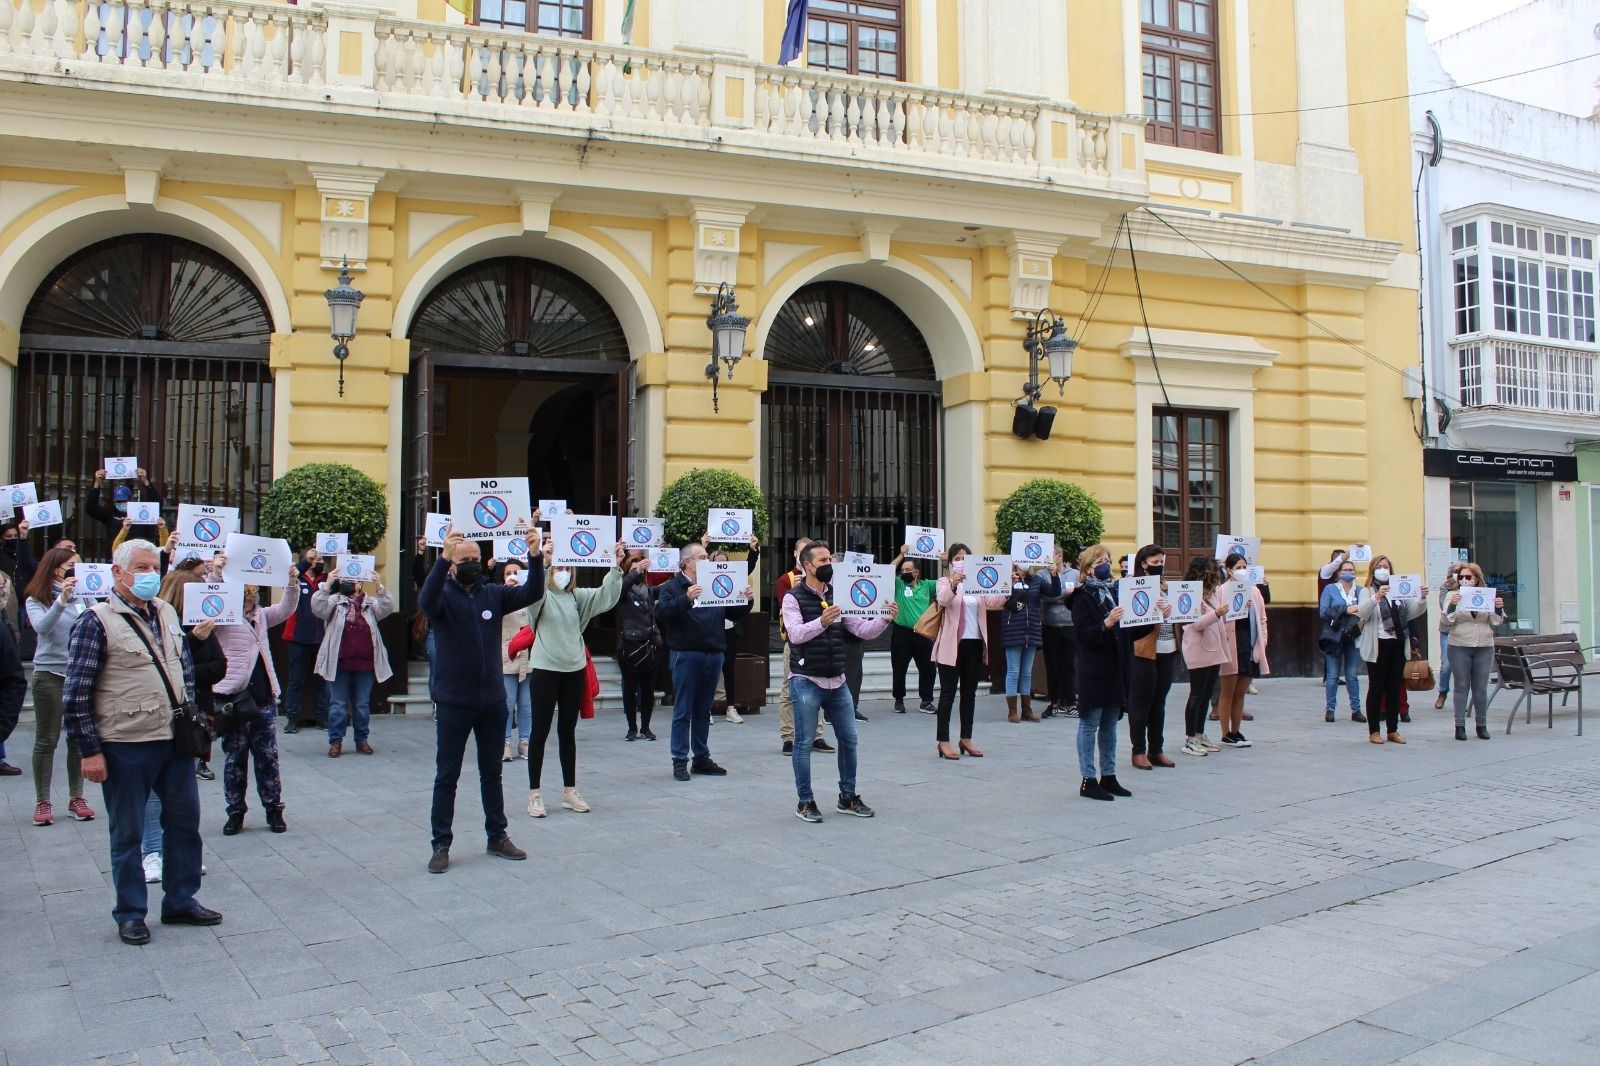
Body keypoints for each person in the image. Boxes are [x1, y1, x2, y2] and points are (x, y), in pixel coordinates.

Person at [61, 538, 218, 945]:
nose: (151, 575)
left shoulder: (166, 612)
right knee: (128, 833)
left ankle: (181, 900)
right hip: (125, 743)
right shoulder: (95, 621)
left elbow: (182, 673)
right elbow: (76, 693)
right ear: (118, 572)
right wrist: (89, 751)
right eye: (142, 568)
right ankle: (130, 912)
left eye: (155, 567)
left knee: (184, 824)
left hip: (173, 739)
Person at [419, 524, 542, 873]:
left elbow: (532, 592)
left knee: (492, 773)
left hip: (492, 700)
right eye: (464, 559)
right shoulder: (443, 594)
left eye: (475, 558)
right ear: (453, 564)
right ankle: (441, 844)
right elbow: (425, 603)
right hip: (454, 700)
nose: (471, 563)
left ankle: (497, 836)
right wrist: (442, 560)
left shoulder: (493, 594)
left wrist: (534, 554)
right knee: (447, 775)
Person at [782, 541, 895, 822]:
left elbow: (860, 629)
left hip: (837, 678)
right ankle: (805, 801)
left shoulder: (840, 594)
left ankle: (848, 796)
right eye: (823, 560)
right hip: (806, 679)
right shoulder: (793, 598)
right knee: (804, 742)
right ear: (808, 566)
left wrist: (884, 619)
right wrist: (821, 621)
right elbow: (795, 635)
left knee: (849, 739)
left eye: (830, 558)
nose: (829, 564)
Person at [522, 538, 624, 817]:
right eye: (558, 567)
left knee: (567, 733)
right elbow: (533, 590)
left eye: (566, 566)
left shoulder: (577, 598)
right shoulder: (540, 598)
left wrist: (615, 567)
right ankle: (534, 794)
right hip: (545, 669)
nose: (562, 571)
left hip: (573, 670)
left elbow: (606, 597)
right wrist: (543, 561)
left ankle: (569, 790)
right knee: (539, 732)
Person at [142, 567, 227, 884]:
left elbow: (217, 667)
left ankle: (182, 854)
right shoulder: (157, 622)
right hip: (158, 713)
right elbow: (163, 664)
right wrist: (192, 643)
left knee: (182, 792)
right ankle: (151, 852)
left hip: (192, 715)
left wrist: (195, 648)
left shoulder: (202, 624)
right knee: (153, 791)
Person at [655, 543, 752, 782]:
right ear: (688, 562)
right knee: (683, 709)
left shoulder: (714, 583)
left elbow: (732, 613)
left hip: (713, 651)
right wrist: (686, 599)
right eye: (702, 557)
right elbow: (661, 614)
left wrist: (746, 600)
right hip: (686, 654)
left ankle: (701, 757)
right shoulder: (672, 587)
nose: (707, 561)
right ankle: (679, 760)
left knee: (703, 709)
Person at [212, 573, 299, 834]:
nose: (249, 602)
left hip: (262, 697)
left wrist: (291, 583)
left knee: (268, 757)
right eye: (245, 598)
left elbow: (286, 608)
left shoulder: (261, 616)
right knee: (234, 759)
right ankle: (235, 811)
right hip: (234, 697)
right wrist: (217, 575)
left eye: (251, 598)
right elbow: (208, 598)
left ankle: (274, 809)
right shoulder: (223, 618)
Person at [23, 546, 96, 825]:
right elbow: (42, 627)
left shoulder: (84, 595)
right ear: (56, 568)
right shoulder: (37, 597)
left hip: (78, 672)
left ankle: (77, 796)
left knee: (77, 736)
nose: (75, 570)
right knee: (47, 738)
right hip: (49, 673)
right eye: (70, 565)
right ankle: (43, 801)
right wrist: (61, 600)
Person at [930, 543, 1007, 760]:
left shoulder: (978, 583)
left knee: (969, 694)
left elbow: (994, 600)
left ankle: (966, 737)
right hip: (951, 645)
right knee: (947, 694)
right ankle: (943, 741)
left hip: (974, 643)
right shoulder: (944, 581)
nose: (962, 561)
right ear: (951, 562)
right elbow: (943, 600)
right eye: (958, 557)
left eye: (966, 557)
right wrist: (954, 583)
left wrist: (1006, 584)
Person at [312, 569, 396, 758]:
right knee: (338, 704)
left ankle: (362, 740)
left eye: (353, 580)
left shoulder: (370, 603)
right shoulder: (335, 601)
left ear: (361, 583)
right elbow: (318, 608)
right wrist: (327, 585)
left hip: (365, 662)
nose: (349, 583)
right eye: (345, 580)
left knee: (361, 704)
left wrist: (379, 586)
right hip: (339, 662)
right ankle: (335, 741)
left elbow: (387, 607)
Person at [1071, 545, 1130, 800]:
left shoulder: (1116, 591)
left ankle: (1109, 775)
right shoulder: (1082, 596)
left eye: (1108, 560)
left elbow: (1131, 628)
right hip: (1094, 668)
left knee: (1110, 724)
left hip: (1114, 667)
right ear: (1088, 568)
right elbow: (1084, 635)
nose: (1106, 565)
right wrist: (1105, 624)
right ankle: (1088, 779)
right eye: (1100, 561)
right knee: (1090, 724)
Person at [1358, 554, 1428, 745]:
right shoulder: (1367, 591)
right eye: (1379, 567)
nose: (1383, 570)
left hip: (1397, 643)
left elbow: (1413, 611)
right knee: (1376, 688)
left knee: (1394, 688)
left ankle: (1393, 729)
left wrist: (1421, 598)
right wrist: (1376, 598)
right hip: (1378, 644)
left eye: (1386, 567)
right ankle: (1374, 731)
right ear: (1373, 570)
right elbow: (1362, 612)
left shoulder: (1398, 591)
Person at [1122, 545, 1177, 769]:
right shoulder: (1133, 585)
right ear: (1143, 564)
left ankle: (1157, 749)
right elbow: (1132, 620)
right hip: (1144, 649)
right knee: (1141, 702)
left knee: (1159, 702)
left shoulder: (1166, 584)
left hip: (1167, 646)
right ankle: (1138, 751)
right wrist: (1156, 613)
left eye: (1162, 562)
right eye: (1155, 563)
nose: (1160, 566)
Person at [773, 538, 828, 754]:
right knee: (789, 690)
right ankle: (788, 736)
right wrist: (797, 590)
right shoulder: (786, 580)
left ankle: (818, 735)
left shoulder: (825, 582)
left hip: (819, 642)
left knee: (823, 686)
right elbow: (785, 610)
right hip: (795, 642)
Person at [1442, 562, 1504, 741]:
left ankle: (1481, 725)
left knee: (1480, 688)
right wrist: (1453, 606)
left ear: (1476, 578)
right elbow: (1446, 621)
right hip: (1459, 644)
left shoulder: (1486, 594)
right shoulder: (1453, 595)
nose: (1464, 580)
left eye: (1468, 577)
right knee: (1461, 685)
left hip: (1484, 644)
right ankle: (1459, 726)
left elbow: (1496, 621)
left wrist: (1498, 607)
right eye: (1461, 577)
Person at [1215, 553, 1269, 748]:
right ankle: (1225, 732)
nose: (1242, 570)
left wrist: (1262, 642)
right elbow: (1218, 617)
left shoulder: (1254, 591)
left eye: (1244, 566)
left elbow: (1262, 619)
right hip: (1231, 641)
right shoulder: (1221, 591)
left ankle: (1236, 730)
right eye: (1238, 567)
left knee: (1241, 691)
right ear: (1229, 570)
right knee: (1227, 690)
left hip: (1249, 641)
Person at [707, 533, 761, 724]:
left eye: (725, 562)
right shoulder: (705, 580)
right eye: (716, 562)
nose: (721, 565)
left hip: (729, 629)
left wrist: (753, 549)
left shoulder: (734, 579)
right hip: (710, 630)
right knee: (709, 670)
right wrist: (703, 545)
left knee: (728, 669)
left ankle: (731, 708)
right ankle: (707, 710)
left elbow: (747, 567)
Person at [1000, 555, 1061, 723]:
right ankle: (1012, 710)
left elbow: (1054, 592)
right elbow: (1000, 599)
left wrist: (1054, 574)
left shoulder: (1037, 580)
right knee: (1013, 671)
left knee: (1026, 673)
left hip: (1032, 630)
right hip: (1013, 630)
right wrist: (1009, 580)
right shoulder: (1007, 579)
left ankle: (1026, 709)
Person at [1179, 556, 1228, 757]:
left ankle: (1200, 734)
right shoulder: (1189, 593)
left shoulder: (1211, 593)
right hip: (1198, 650)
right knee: (1196, 694)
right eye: (1211, 571)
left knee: (1207, 694)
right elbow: (1195, 624)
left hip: (1213, 650)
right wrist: (1216, 614)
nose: (1215, 574)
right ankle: (1190, 738)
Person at [281, 548, 330, 734]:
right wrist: (306, 561)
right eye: (315, 559)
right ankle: (292, 719)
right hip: (297, 637)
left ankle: (322, 717)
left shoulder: (325, 579)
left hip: (320, 637)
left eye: (320, 559)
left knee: (321, 680)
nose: (319, 561)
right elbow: (289, 579)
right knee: (296, 681)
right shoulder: (296, 578)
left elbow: (339, 586)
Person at [616, 550, 661, 742]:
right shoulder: (622, 588)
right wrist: (634, 571)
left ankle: (646, 726)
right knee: (629, 688)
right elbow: (621, 589)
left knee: (648, 688)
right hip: (629, 643)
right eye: (633, 569)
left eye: (640, 568)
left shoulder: (648, 589)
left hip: (648, 642)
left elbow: (664, 588)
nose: (638, 571)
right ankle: (631, 727)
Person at [887, 547, 936, 714]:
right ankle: (899, 700)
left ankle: (926, 701)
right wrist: (901, 555)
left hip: (923, 632)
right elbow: (888, 571)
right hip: (902, 632)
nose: (904, 572)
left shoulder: (927, 585)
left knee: (928, 668)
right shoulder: (899, 584)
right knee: (899, 667)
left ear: (916, 572)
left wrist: (945, 563)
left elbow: (946, 585)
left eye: (908, 570)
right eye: (902, 570)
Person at [1318, 556, 1365, 723]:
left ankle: (1356, 709)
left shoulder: (1360, 591)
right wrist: (1345, 609)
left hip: (1353, 636)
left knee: (1352, 675)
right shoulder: (1331, 589)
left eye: (1351, 570)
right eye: (1345, 570)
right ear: (1338, 573)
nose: (1348, 572)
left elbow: (1366, 610)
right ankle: (1330, 709)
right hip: (1334, 636)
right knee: (1332, 675)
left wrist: (1361, 614)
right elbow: (1323, 612)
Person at [499, 559, 534, 760]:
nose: (512, 575)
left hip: (529, 656)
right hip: (506, 657)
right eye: (508, 573)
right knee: (507, 703)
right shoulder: (498, 596)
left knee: (527, 704)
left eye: (516, 572)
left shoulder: (531, 597)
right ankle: (504, 743)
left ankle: (524, 741)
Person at [1040, 550, 1079, 719]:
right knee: (1052, 665)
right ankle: (1054, 702)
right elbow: (1044, 596)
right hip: (1050, 625)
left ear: (1062, 557)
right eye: (1051, 556)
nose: (1054, 559)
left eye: (1057, 556)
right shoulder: (1041, 575)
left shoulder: (1075, 574)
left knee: (1069, 665)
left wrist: (1057, 597)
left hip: (1071, 624)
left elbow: (1078, 594)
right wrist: (1062, 596)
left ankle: (1070, 702)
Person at [1434, 563, 1461, 711]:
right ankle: (1442, 692)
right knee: (1446, 665)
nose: (1458, 575)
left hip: (1463, 631)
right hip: (1447, 630)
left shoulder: (1470, 587)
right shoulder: (1445, 587)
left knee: (1461, 667)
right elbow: (1442, 605)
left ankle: (1461, 698)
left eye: (1460, 572)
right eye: (1455, 572)